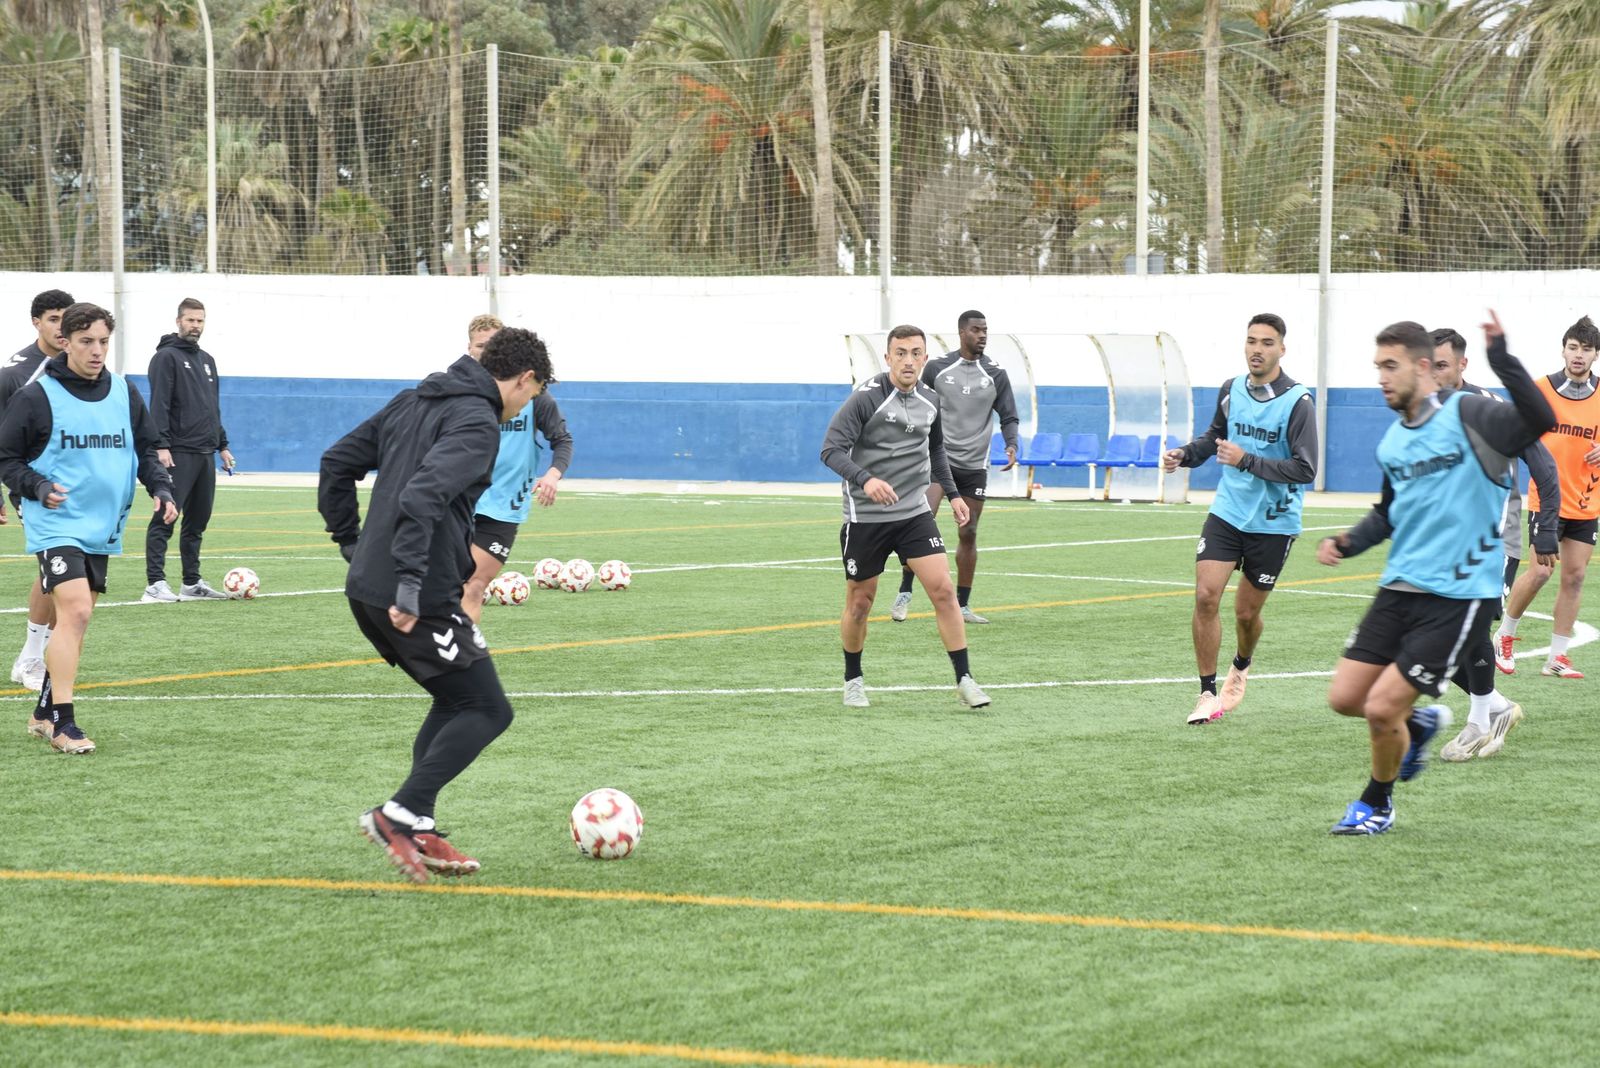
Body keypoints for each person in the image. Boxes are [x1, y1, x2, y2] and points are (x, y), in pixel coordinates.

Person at [318, 327, 549, 882]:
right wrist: (409, 584)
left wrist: (351, 543)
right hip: (415, 594)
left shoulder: (412, 399)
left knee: (454, 700)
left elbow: (335, 462)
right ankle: (397, 814)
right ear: (523, 379)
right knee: (489, 709)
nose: (524, 407)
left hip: (369, 589)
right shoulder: (476, 422)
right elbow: (423, 495)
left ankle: (417, 817)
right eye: (531, 396)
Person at [1317, 315, 1553, 835]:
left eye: (1390, 366)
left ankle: (1376, 804)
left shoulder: (1470, 414)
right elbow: (1388, 512)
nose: (1380, 377)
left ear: (1423, 368)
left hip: (1459, 596)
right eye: (1377, 366)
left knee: (1380, 709)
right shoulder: (1393, 443)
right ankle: (1419, 723)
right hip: (1398, 588)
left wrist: (1503, 359)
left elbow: (1539, 420)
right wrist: (1347, 542)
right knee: (1345, 699)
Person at [0, 303, 176, 754]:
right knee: (75, 611)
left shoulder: (123, 390)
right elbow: (7, 457)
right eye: (86, 341)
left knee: (74, 621)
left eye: (103, 342)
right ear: (65, 342)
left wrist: (162, 489)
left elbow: (148, 445)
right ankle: (64, 725)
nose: (97, 351)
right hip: (55, 523)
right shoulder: (37, 396)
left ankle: (41, 714)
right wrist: (36, 485)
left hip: (104, 525)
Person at [820, 325, 989, 710]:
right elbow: (830, 450)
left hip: (913, 513)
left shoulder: (931, 400)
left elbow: (936, 450)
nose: (908, 360)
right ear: (888, 358)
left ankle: (965, 679)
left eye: (915, 353)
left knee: (943, 590)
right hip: (866, 517)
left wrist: (952, 494)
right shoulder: (865, 399)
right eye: (900, 353)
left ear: (925, 359)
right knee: (860, 603)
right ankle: (853, 680)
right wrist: (866, 480)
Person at [1162, 313, 1317, 725]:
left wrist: (1246, 460)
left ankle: (1242, 665)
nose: (1257, 349)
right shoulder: (1231, 390)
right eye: (1251, 341)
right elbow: (1214, 439)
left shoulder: (1298, 401)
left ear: (1281, 349)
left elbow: (1306, 470)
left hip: (1274, 522)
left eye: (1267, 342)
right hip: (1228, 513)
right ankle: (1207, 693)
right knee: (1205, 596)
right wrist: (1185, 454)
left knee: (1246, 614)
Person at [1428, 327, 1557, 760]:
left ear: (1463, 365)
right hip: (1446, 543)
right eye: (1428, 365)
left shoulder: (1491, 409)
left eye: (1443, 365)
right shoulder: (1422, 411)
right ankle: (1497, 707)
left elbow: (1542, 462)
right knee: (1426, 637)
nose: (1434, 374)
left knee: (1470, 623)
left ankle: (1479, 721)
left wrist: (1547, 527)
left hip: (1493, 541)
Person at [889, 310, 1019, 625]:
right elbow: (915, 400)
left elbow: (1008, 415)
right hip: (937, 462)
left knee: (969, 531)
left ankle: (962, 606)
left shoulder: (995, 374)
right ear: (962, 333)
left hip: (974, 467)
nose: (982, 335)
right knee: (922, 523)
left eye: (985, 330)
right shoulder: (937, 368)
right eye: (976, 330)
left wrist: (1012, 444)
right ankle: (906, 589)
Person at [1495, 315, 1600, 680]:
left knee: (1575, 577)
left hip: (1588, 500)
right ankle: (1504, 636)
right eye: (1573, 347)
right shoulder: (1540, 390)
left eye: (1586, 350)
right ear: (1563, 350)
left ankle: (1558, 656)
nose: (1578, 355)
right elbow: (1516, 432)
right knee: (1540, 571)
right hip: (1547, 499)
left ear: (1595, 355)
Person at [457, 315, 573, 622]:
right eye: (480, 345)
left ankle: (461, 658)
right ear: (469, 348)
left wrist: (552, 474)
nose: (486, 351)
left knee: (474, 585)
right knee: (450, 586)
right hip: (460, 499)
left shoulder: (534, 395)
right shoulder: (459, 392)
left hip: (505, 506)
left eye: (493, 345)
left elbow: (562, 440)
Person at [1, 289, 73, 690]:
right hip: (32, 487)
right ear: (36, 322)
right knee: (55, 569)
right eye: (53, 319)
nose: (61, 327)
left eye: (67, 318)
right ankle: (30, 658)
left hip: (75, 488)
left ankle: (42, 655)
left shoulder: (79, 365)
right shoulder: (16, 373)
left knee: (75, 577)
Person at [142, 298, 235, 602]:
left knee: (197, 522)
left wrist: (222, 445)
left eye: (200, 321)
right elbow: (160, 404)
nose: (195, 326)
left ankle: (191, 583)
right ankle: (155, 584)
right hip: (177, 451)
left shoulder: (207, 360)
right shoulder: (165, 358)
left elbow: (213, 407)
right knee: (166, 517)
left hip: (205, 453)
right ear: (178, 321)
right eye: (190, 320)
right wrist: (162, 445)